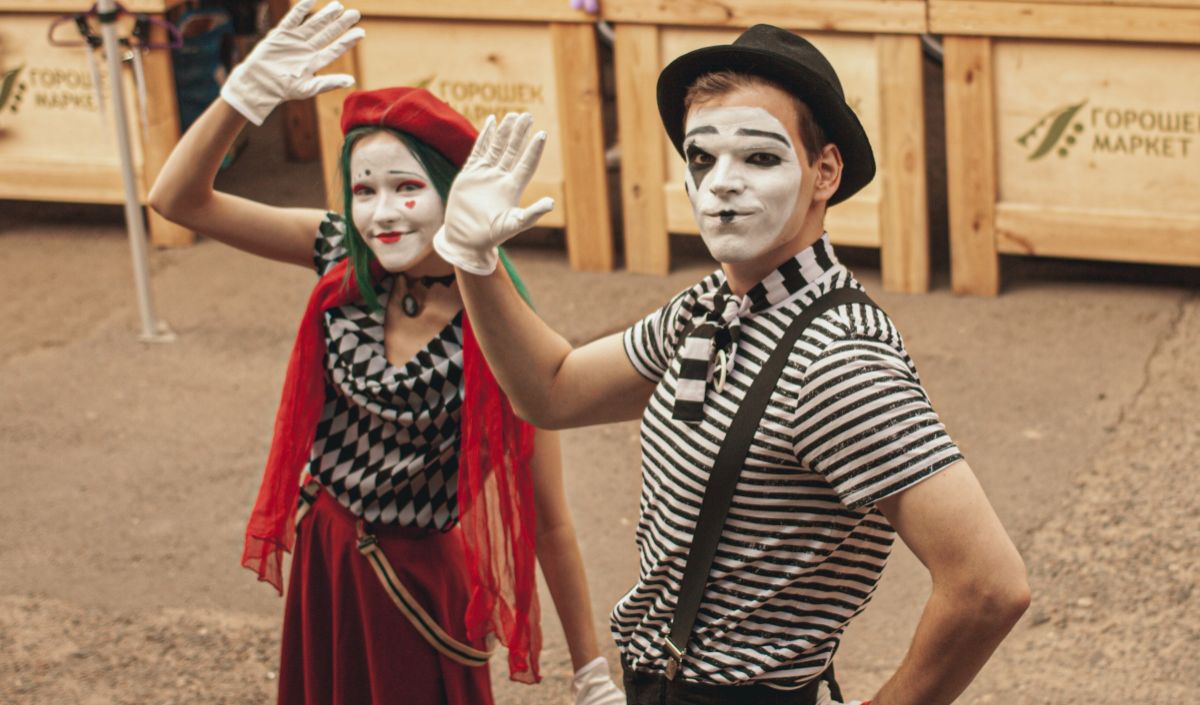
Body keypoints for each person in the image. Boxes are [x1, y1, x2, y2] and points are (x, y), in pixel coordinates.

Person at [432, 23, 1031, 705]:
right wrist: (472, 261)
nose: (721, 185)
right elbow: (553, 390)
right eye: (700, 158)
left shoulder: (838, 361)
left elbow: (988, 583)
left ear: (823, 172)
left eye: (759, 158)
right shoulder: (711, 307)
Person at [147, 2, 624, 704]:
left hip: (421, 583)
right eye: (364, 189)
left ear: (458, 195)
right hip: (328, 557)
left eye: (407, 188)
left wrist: (591, 672)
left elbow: (548, 518)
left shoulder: (502, 335)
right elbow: (177, 199)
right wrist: (241, 99)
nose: (381, 213)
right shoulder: (342, 254)